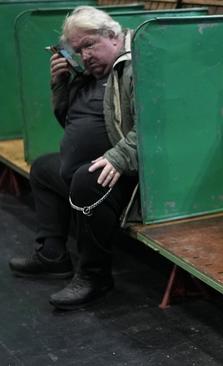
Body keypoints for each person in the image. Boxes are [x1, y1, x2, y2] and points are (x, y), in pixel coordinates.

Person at [8, 6, 138, 310]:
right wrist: (61, 84)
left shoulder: (133, 68)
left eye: (89, 45)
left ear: (112, 36)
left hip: (126, 176)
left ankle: (95, 276)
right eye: (78, 50)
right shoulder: (90, 76)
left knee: (85, 180)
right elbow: (70, 120)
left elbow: (156, 126)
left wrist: (119, 156)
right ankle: (52, 254)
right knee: (43, 168)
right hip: (90, 169)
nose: (84, 56)